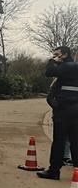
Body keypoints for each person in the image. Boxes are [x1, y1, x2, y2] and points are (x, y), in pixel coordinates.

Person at [37, 45, 78, 179]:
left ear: (64, 54)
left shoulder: (67, 67)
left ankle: (54, 171)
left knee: (59, 140)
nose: (54, 56)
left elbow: (49, 72)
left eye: (57, 54)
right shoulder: (74, 67)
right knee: (75, 140)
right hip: (75, 109)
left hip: (64, 109)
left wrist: (53, 60)